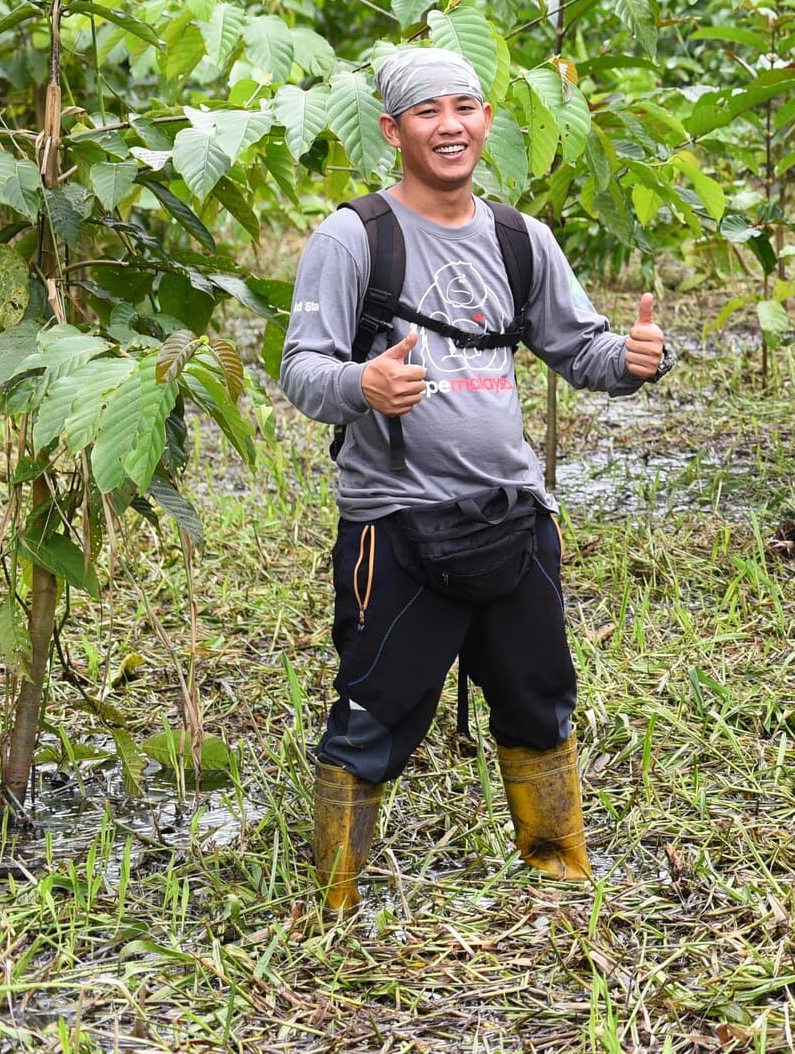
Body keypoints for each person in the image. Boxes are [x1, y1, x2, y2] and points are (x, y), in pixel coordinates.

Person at [280, 48, 667, 915]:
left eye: (465, 106)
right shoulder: (355, 238)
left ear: (488, 121)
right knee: (376, 708)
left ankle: (559, 872)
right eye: (426, 112)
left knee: (540, 697)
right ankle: (336, 899)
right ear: (393, 130)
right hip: (398, 523)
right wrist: (362, 384)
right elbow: (302, 368)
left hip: (512, 511)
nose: (449, 125)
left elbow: (582, 350)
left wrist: (637, 361)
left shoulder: (517, 237)